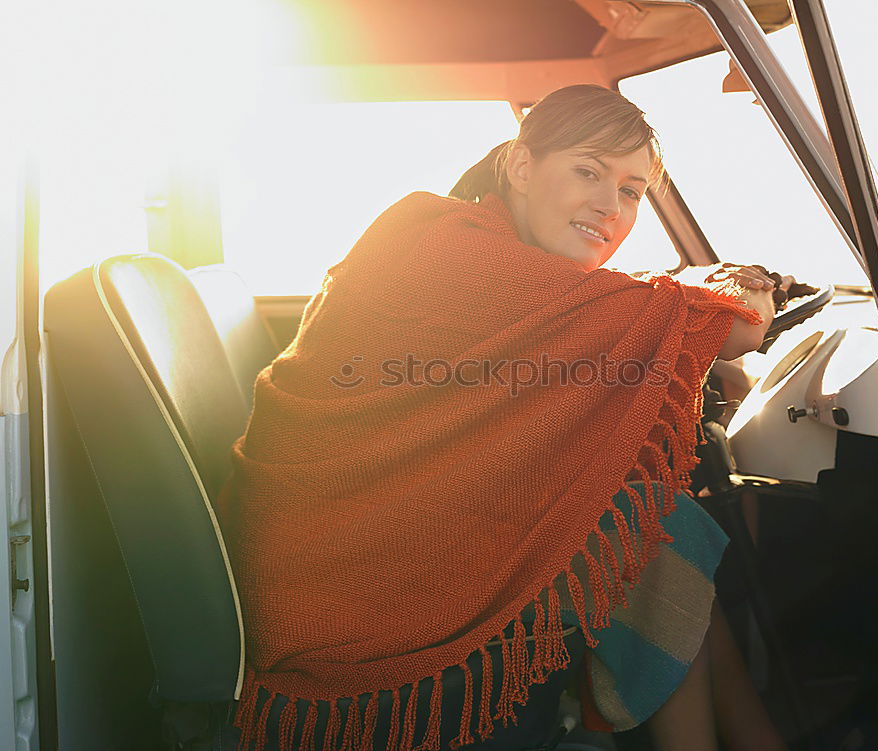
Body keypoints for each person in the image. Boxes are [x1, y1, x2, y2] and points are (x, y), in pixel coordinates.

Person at [220, 84, 789, 751]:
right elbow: (738, 330)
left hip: (356, 529)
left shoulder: (464, 241)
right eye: (588, 171)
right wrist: (747, 292)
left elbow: (608, 310)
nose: (610, 206)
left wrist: (691, 302)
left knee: (654, 526)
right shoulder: (452, 250)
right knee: (659, 533)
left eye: (632, 191)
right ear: (521, 167)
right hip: (339, 574)